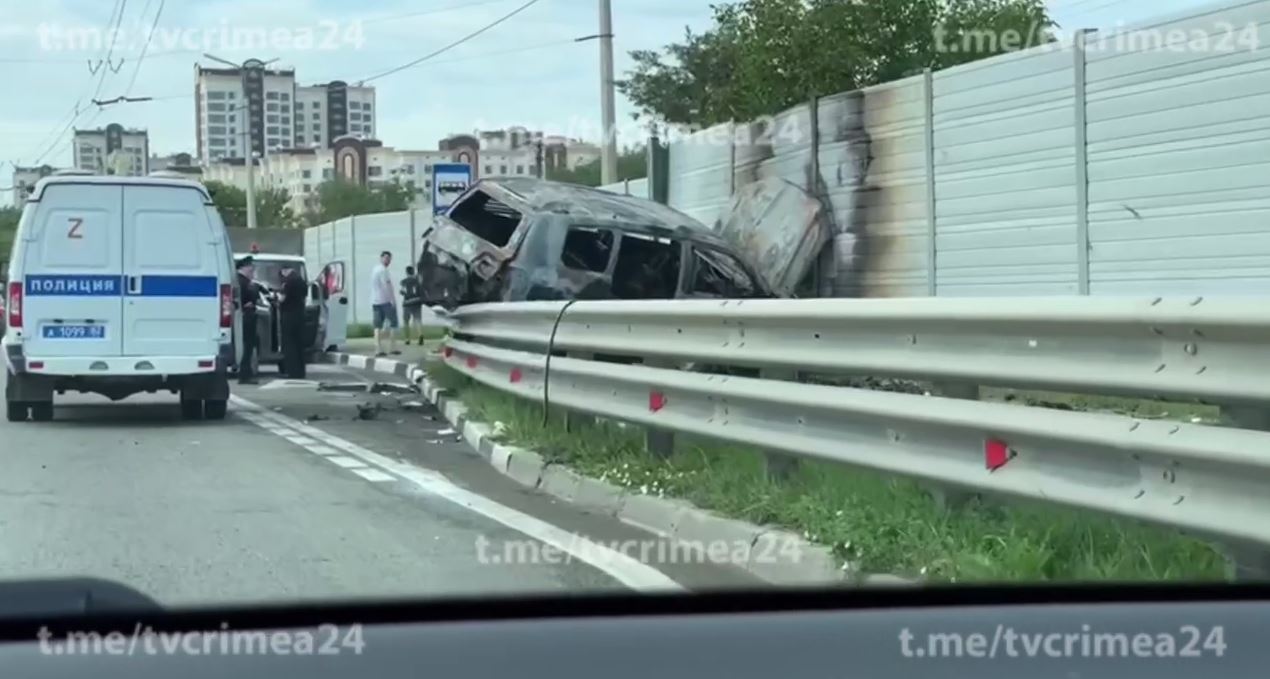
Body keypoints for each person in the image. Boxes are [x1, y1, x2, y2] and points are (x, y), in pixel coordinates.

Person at [277, 264, 308, 379]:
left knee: (289, 345)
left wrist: (277, 299)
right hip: (300, 315)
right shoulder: (301, 281)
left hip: (289, 316)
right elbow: (304, 296)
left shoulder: (288, 282)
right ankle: (301, 372)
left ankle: (292, 372)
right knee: (299, 345)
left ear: (285, 271)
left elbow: (282, 299)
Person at [369, 250, 400, 357]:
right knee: (393, 323)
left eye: (389, 258)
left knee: (377, 325)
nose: (388, 260)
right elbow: (387, 285)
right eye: (386, 258)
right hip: (386, 301)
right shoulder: (384, 270)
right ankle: (392, 347)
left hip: (375, 301)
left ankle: (378, 349)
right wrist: (393, 299)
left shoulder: (375, 269)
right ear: (381, 258)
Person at [235, 256, 260, 385]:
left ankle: (247, 373)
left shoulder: (244, 280)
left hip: (248, 316)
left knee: (249, 346)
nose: (252, 269)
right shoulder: (241, 281)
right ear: (243, 267)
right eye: (250, 266)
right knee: (247, 346)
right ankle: (244, 374)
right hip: (246, 317)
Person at [400, 265, 425, 346]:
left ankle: (407, 339)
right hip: (417, 302)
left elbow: (402, 291)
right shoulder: (418, 281)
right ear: (413, 272)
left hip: (407, 303)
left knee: (406, 321)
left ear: (406, 272)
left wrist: (402, 293)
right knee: (418, 320)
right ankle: (420, 335)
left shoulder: (403, 282)